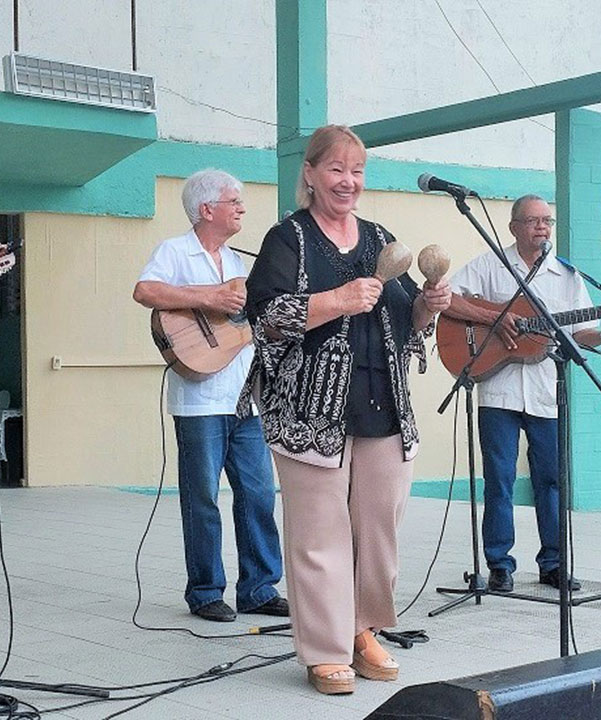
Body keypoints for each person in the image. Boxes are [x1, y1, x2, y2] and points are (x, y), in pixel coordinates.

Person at [241, 125, 451, 695]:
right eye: (336, 169)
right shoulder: (288, 238)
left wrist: (428, 307)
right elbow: (265, 319)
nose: (348, 181)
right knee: (319, 538)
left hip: (383, 405)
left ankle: (361, 630)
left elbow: (404, 321)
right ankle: (324, 649)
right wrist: (336, 300)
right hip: (309, 412)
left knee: (378, 532)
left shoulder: (380, 237)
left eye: (356, 171)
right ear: (310, 174)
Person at [445, 194, 601, 595]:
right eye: (533, 221)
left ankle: (554, 564)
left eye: (547, 221)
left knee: (551, 481)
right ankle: (499, 564)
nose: (542, 227)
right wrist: (496, 317)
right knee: (499, 480)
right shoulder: (490, 264)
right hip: (498, 390)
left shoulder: (566, 275)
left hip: (547, 391)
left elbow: (580, 334)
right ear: (514, 227)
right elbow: (449, 299)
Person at [133, 169, 288, 623]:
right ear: (207, 209)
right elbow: (145, 291)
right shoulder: (174, 251)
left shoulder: (242, 263)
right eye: (233, 201)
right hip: (199, 401)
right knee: (202, 499)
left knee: (259, 494)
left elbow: (250, 322)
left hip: (246, 399)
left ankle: (259, 589)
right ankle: (204, 592)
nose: (242, 208)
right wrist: (209, 299)